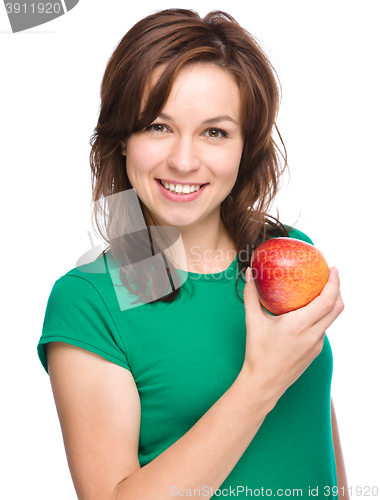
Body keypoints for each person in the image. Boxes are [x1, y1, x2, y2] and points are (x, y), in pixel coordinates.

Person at [37, 8, 348, 500]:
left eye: (215, 132)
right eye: (158, 127)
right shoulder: (90, 301)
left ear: (246, 147)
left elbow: (314, 433)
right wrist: (260, 381)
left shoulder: (285, 253)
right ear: (121, 140)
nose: (183, 160)